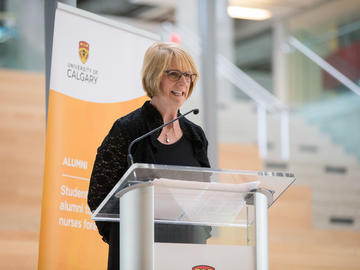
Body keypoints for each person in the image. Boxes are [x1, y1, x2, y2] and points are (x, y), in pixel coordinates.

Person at [87, 42, 211, 270]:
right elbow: (98, 196)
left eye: (189, 75)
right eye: (174, 74)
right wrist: (123, 236)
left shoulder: (195, 136)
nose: (183, 81)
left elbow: (204, 198)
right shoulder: (128, 130)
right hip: (136, 250)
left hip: (186, 252)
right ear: (154, 75)